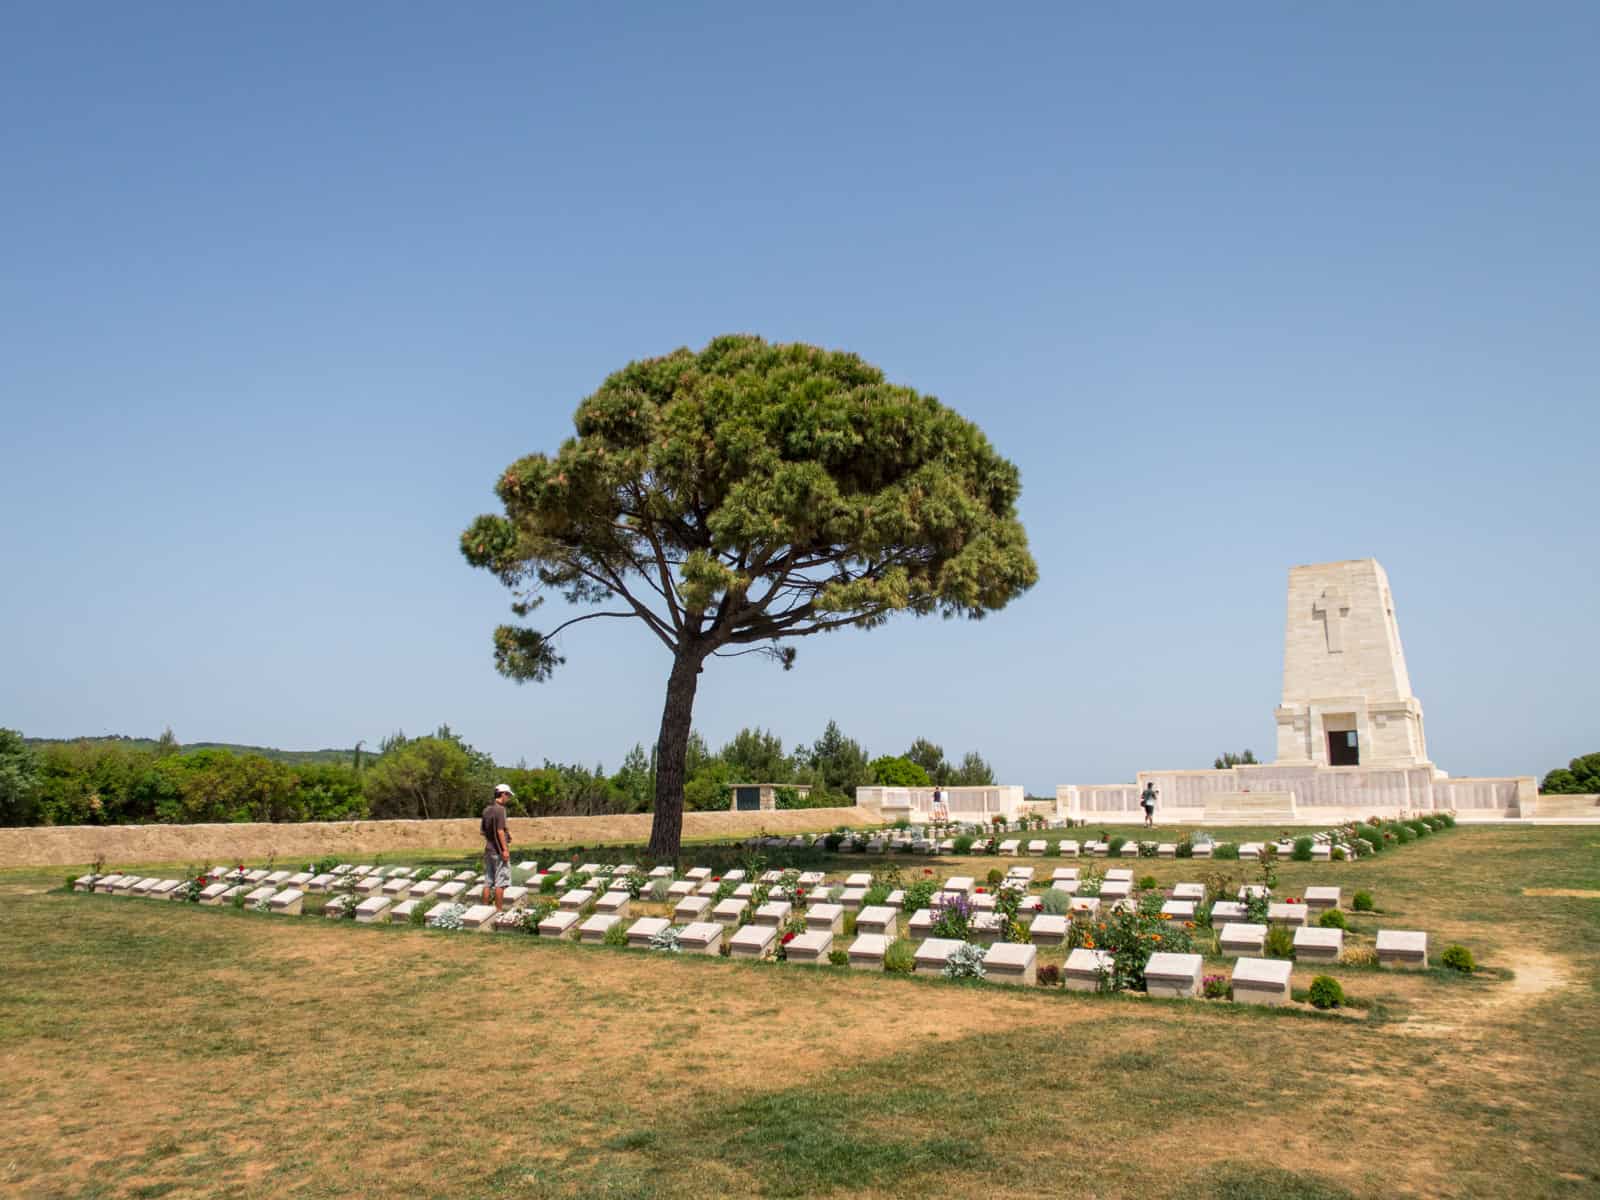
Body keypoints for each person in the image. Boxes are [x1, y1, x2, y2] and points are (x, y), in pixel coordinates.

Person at [481, 783, 514, 910]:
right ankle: (498, 912)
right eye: (508, 795)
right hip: (499, 851)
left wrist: (506, 832)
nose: (509, 798)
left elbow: (483, 831)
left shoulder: (486, 810)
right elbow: (499, 830)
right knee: (500, 883)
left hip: (488, 849)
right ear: (503, 794)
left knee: (488, 882)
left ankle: (484, 911)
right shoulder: (501, 810)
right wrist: (504, 849)